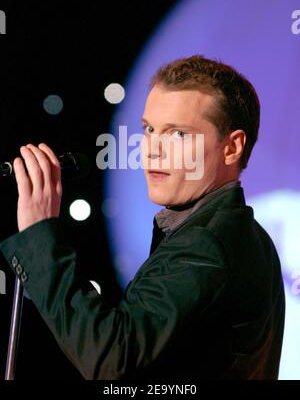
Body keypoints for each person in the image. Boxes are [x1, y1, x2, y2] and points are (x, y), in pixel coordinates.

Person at [0, 55, 285, 380]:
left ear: (232, 147)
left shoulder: (207, 245)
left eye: (177, 134)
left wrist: (40, 236)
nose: (151, 150)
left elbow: (110, 356)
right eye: (149, 129)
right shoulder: (247, 236)